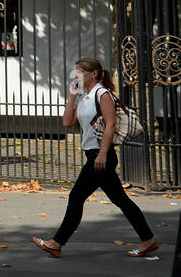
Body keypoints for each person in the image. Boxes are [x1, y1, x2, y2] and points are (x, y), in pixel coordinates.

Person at [32, 57, 157, 259]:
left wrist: (102, 154)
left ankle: (56, 243)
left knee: (76, 197)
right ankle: (148, 239)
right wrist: (72, 96)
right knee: (121, 200)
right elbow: (67, 122)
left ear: (94, 73)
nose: (76, 75)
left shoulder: (102, 94)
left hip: (101, 156)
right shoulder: (85, 97)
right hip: (94, 154)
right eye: (76, 72)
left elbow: (111, 125)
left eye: (80, 72)